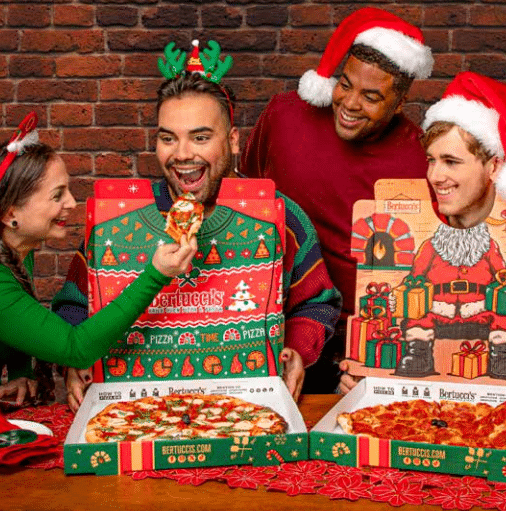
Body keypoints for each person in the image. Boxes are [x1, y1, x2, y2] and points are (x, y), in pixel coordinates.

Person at [54, 40, 341, 410]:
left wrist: (297, 350)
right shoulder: (116, 220)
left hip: (246, 409)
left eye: (201, 137)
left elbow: (317, 303)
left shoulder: (279, 216)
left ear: (233, 141)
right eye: (167, 138)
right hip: (138, 411)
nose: (183, 154)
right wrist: (74, 364)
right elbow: (72, 307)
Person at [0, 112, 196, 420]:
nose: (72, 203)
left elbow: (13, 311)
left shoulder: (6, 237)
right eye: (57, 196)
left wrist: (22, 370)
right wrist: (157, 275)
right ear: (11, 212)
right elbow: (77, 348)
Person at [340, 72, 506, 391]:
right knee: (415, 301)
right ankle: (418, 354)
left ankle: (503, 356)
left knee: (505, 305)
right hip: (432, 344)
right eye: (431, 160)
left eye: (451, 162)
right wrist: (365, 381)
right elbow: (412, 284)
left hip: (487, 341)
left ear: (493, 167)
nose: (435, 175)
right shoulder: (430, 243)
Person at [240, 7, 436, 393]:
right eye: (344, 84)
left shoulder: (420, 158)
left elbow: (430, 262)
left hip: (368, 344)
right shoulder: (284, 117)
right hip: (280, 329)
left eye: (371, 96)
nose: (349, 103)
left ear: (399, 103)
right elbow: (247, 201)